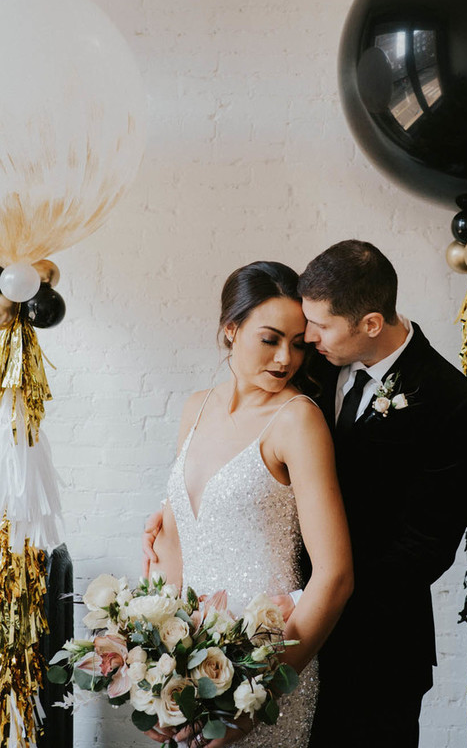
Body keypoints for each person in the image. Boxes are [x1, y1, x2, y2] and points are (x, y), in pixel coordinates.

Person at [142, 260, 353, 748]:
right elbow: (175, 544)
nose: (286, 358)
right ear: (230, 329)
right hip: (189, 670)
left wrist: (259, 696)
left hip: (267, 666)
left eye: (299, 344)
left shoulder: (297, 421)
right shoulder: (194, 408)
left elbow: (336, 575)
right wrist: (157, 676)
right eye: (271, 339)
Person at [297, 239, 467, 748]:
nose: (307, 335)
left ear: (372, 324)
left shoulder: (452, 402)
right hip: (285, 629)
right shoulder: (312, 367)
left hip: (377, 648)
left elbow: (426, 546)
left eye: (321, 324)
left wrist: (325, 598)